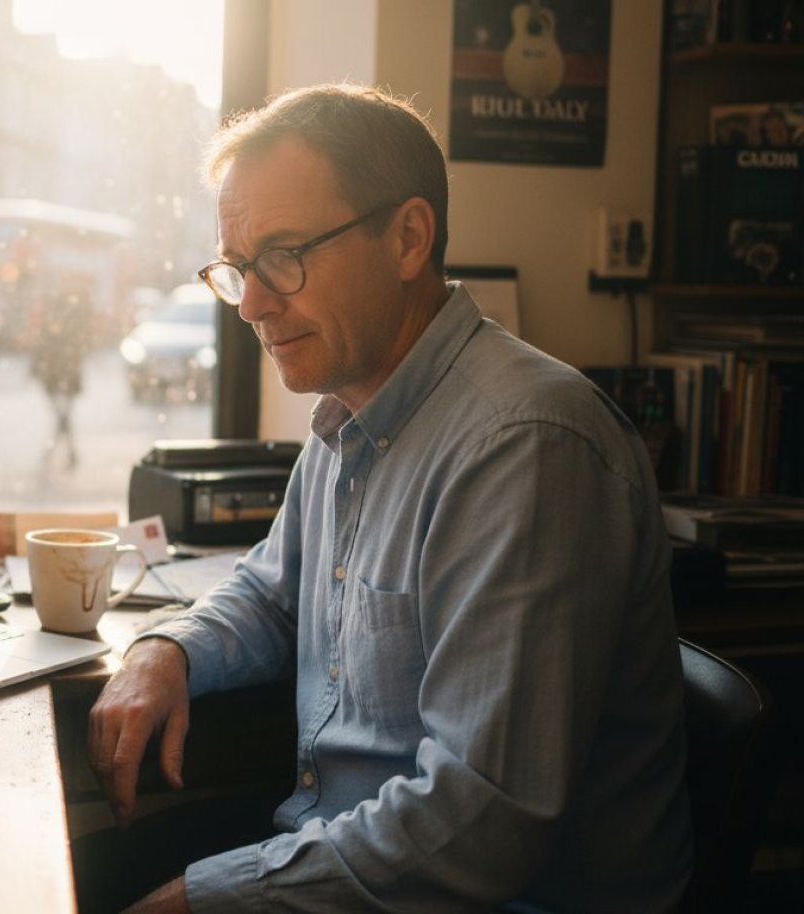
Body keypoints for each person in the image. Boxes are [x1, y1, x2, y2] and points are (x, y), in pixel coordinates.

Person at [84, 84, 692, 913]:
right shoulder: (351, 411)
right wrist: (169, 649)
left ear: (408, 238)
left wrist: (202, 901)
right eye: (239, 268)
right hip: (340, 844)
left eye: (284, 255)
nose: (252, 304)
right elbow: (275, 590)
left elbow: (478, 824)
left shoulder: (525, 446)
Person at [30, 283, 93, 470]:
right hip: (61, 375)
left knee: (62, 416)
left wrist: (38, 369)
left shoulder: (56, 322)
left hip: (57, 375)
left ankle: (61, 452)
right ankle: (69, 452)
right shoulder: (71, 322)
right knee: (63, 416)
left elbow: (43, 348)